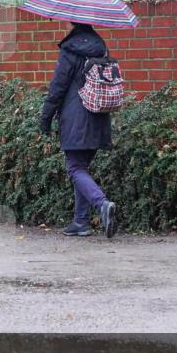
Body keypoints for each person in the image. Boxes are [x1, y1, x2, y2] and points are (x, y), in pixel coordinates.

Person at [39, 22, 118, 239]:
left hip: (76, 119)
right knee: (81, 169)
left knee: (75, 169)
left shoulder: (70, 49)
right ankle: (80, 222)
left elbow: (57, 87)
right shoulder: (101, 47)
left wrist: (45, 118)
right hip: (99, 118)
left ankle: (102, 204)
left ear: (72, 22)